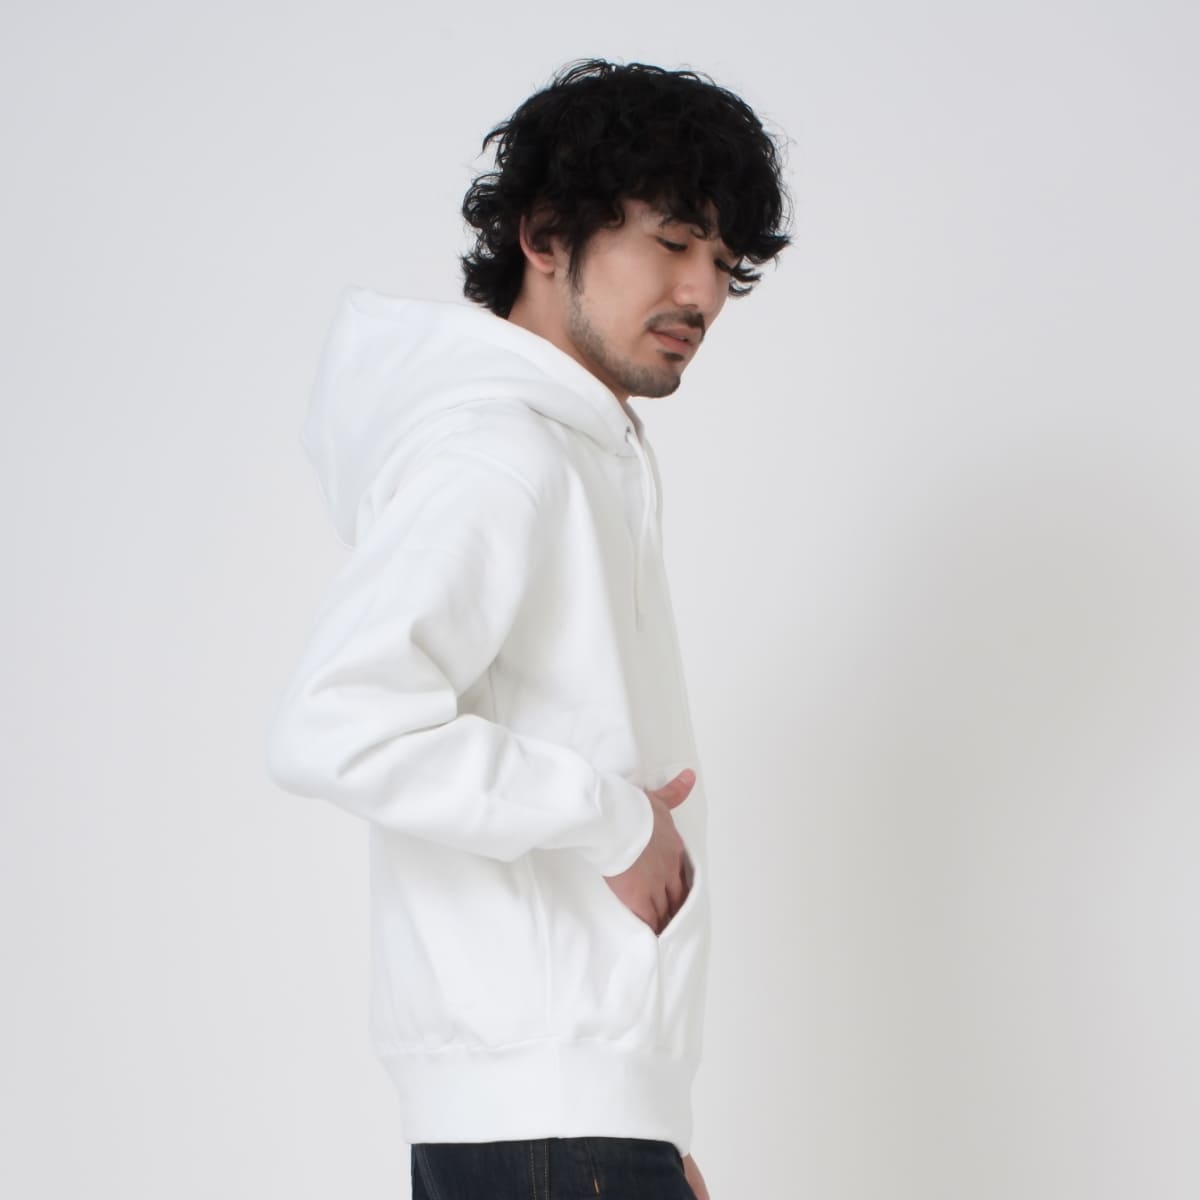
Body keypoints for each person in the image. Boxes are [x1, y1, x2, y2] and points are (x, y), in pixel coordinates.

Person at [266, 58, 790, 1199]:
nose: (702, 294)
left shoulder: (574, 449)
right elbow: (337, 722)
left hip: (574, 1125)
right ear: (546, 236)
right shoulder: (500, 454)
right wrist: (616, 822)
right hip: (550, 1135)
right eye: (673, 241)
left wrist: (645, 1119)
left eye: (723, 261)